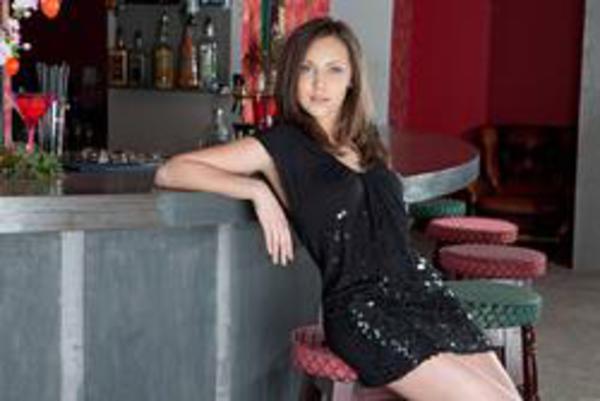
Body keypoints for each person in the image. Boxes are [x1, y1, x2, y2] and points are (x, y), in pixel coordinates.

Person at [155, 17, 522, 401]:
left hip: (423, 292)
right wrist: (256, 190)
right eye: (307, 69)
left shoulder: (367, 140)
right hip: (363, 310)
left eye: (334, 70)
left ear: (352, 79)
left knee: (508, 398)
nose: (319, 84)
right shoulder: (280, 145)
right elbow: (172, 170)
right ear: (291, 77)